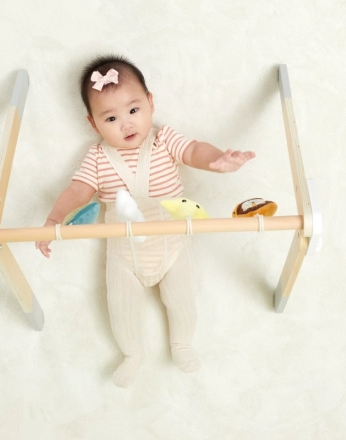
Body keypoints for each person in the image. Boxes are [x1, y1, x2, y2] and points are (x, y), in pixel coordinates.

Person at [36, 55, 255, 387]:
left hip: (173, 244)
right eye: (111, 117)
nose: (126, 124)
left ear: (151, 104)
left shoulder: (164, 139)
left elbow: (194, 151)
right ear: (94, 124)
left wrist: (218, 160)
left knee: (182, 299)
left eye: (134, 111)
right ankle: (131, 353)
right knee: (120, 306)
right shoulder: (97, 157)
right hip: (125, 254)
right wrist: (54, 218)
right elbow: (78, 190)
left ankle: (182, 344)